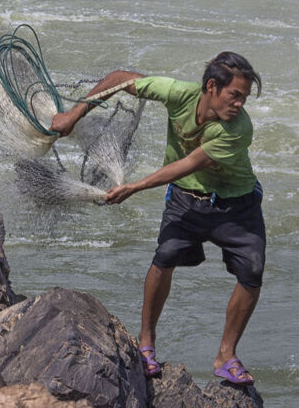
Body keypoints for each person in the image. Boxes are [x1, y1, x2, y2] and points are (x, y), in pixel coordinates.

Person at [50, 52, 265, 386]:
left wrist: (135, 186)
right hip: (186, 200)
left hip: (237, 206)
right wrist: (74, 115)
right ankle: (146, 344)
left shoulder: (239, 129)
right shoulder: (178, 93)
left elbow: (189, 162)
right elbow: (119, 78)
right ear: (211, 86)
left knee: (251, 273)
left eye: (244, 98)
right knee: (163, 259)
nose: (239, 104)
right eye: (235, 95)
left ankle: (226, 354)